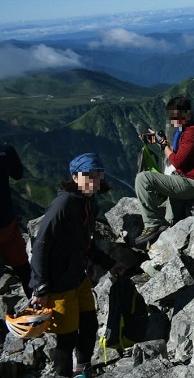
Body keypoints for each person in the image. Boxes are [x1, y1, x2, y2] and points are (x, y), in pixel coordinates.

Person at [30, 153, 125, 378]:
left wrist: (109, 263)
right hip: (59, 283)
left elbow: (84, 244)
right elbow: (40, 245)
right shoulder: (63, 204)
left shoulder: (88, 202)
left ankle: (82, 370)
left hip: (78, 277)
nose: (94, 180)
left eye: (97, 175)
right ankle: (62, 375)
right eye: (88, 175)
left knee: (90, 325)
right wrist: (40, 286)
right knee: (67, 336)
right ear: (75, 177)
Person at [134, 96, 194, 246]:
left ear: (186, 114)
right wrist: (161, 143)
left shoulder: (191, 133)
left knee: (143, 178)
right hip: (183, 178)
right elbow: (178, 156)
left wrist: (163, 145)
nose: (173, 119)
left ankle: (151, 223)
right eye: (171, 115)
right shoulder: (184, 131)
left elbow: (176, 161)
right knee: (170, 224)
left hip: (190, 182)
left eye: (176, 115)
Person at [0, 143, 31, 297]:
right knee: (24, 271)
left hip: (7, 224)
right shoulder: (5, 150)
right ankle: (39, 310)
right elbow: (18, 174)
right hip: (7, 224)